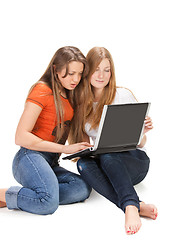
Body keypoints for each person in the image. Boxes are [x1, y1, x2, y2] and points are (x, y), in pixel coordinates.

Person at [68, 47, 158, 235]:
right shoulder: (81, 103)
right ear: (87, 71)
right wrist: (86, 149)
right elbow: (83, 143)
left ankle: (130, 207)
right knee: (84, 164)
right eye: (96, 69)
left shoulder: (122, 95)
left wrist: (143, 132)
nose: (101, 75)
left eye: (107, 70)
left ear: (112, 72)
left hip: (134, 163)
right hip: (107, 164)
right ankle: (136, 204)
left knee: (109, 154)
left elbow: (140, 143)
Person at [0, 46, 92, 215]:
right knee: (48, 204)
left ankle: (32, 196)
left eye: (80, 74)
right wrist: (64, 149)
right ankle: (6, 194)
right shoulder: (42, 90)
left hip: (50, 162)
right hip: (29, 156)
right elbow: (20, 136)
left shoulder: (70, 94)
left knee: (82, 188)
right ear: (56, 69)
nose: (76, 79)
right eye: (71, 73)